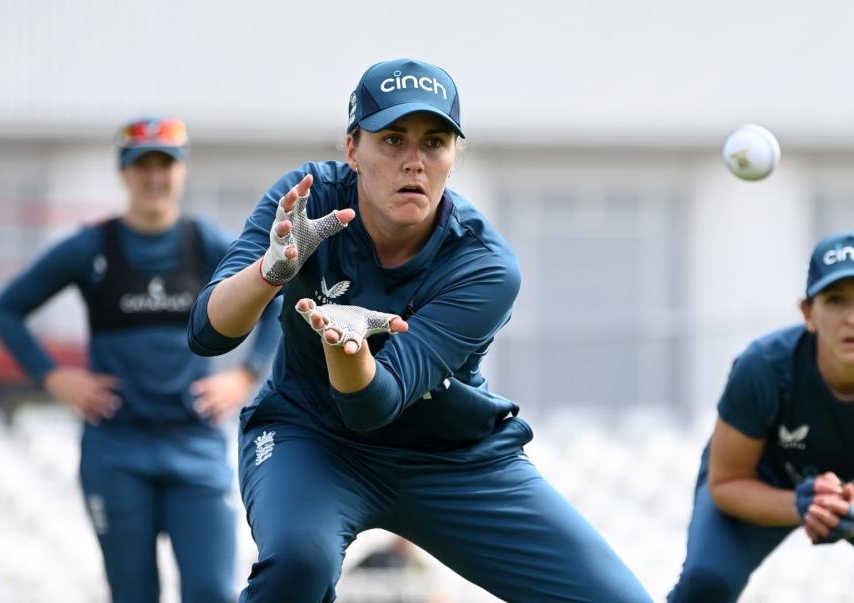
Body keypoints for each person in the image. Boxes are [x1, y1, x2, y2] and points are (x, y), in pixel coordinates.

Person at [188, 58, 651, 603]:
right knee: (298, 564)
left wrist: (347, 346)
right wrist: (272, 273)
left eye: (435, 142)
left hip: (453, 457)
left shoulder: (483, 264)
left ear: (454, 157)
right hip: (312, 437)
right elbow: (208, 333)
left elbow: (374, 404)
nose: (415, 162)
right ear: (353, 149)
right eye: (392, 140)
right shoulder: (307, 198)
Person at [0, 117, 283, 603]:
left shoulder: (204, 243)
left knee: (212, 591)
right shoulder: (91, 248)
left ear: (181, 171)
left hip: (196, 448)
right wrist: (53, 376)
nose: (154, 177)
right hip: (116, 452)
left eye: (165, 164)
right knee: (133, 594)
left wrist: (246, 375)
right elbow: (5, 311)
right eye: (142, 164)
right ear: (124, 172)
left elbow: (275, 297)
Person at [668, 231, 854, 602]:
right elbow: (727, 482)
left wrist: (853, 517)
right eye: (835, 300)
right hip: (767, 482)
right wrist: (799, 504)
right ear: (808, 312)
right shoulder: (763, 367)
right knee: (705, 585)